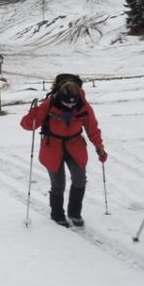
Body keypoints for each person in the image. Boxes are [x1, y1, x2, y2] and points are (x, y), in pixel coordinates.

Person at [20, 75, 106, 227]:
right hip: (52, 147)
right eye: (66, 103)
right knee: (58, 184)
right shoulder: (48, 104)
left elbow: (92, 129)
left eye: (73, 104)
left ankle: (74, 212)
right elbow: (27, 125)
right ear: (60, 97)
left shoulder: (84, 106)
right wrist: (32, 114)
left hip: (75, 145)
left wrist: (99, 148)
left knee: (79, 179)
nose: (70, 107)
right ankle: (57, 214)